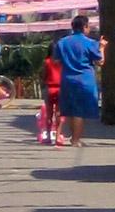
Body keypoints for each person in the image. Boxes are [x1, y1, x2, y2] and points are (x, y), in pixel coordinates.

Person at [55, 15, 107, 147]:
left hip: (67, 79)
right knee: (79, 112)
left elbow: (56, 60)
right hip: (85, 80)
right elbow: (100, 61)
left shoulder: (62, 42)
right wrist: (102, 47)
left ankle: (73, 137)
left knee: (71, 110)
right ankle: (75, 140)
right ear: (84, 27)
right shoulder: (90, 43)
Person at [41, 43, 65, 146]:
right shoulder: (63, 62)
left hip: (49, 88)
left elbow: (43, 75)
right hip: (61, 88)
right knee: (59, 113)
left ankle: (48, 137)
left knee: (49, 113)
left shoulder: (46, 62)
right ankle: (58, 136)